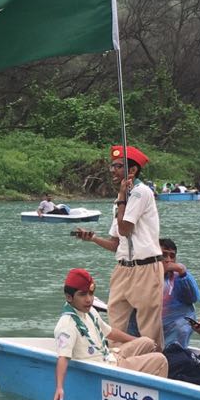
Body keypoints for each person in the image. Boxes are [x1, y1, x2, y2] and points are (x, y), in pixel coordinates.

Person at [73, 144, 164, 346]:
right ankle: (117, 362)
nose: (113, 171)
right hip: (123, 268)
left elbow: (125, 229)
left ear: (132, 170)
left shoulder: (141, 192)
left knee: (149, 326)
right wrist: (93, 238)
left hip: (146, 267)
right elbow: (116, 243)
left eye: (118, 166)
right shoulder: (119, 200)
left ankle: (154, 363)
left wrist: (122, 197)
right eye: (112, 166)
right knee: (115, 321)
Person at [51, 268, 168, 400]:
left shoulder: (90, 312)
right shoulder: (67, 324)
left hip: (111, 355)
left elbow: (110, 332)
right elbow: (63, 357)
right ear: (69, 297)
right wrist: (59, 387)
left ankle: (140, 382)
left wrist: (136, 340)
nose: (89, 299)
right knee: (160, 360)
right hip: (107, 367)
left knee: (148, 342)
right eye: (82, 295)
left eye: (91, 293)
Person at [158, 238, 200, 348]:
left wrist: (182, 272)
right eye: (164, 255)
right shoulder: (143, 276)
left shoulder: (179, 277)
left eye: (172, 256)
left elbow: (193, 298)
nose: (168, 260)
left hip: (175, 333)